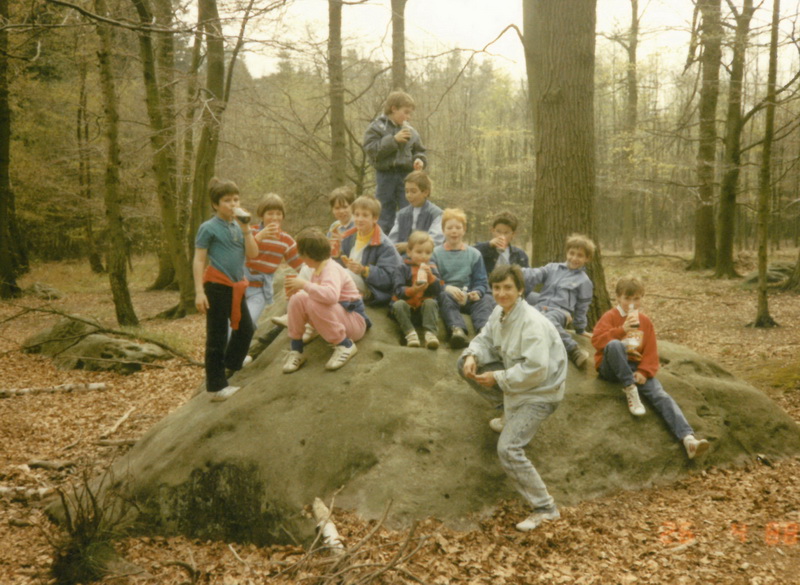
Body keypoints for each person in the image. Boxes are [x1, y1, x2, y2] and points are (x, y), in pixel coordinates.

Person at [457, 264, 567, 532]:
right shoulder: (500, 312)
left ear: (520, 290)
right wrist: (473, 355)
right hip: (517, 384)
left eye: (508, 288)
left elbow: (537, 370)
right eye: (496, 288)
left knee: (508, 449)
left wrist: (499, 378)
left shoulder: (532, 323)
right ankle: (505, 409)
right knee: (463, 364)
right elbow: (484, 338)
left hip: (541, 392)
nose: (501, 293)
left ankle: (546, 508)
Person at [591, 276, 711, 459]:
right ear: (617, 298)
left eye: (636, 299)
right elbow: (597, 341)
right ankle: (630, 389)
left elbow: (651, 352)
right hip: (611, 367)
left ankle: (688, 439)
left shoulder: (645, 322)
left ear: (642, 298)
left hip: (635, 368)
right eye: (627, 299)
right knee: (615, 345)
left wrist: (644, 372)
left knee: (661, 395)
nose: (632, 303)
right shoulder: (610, 317)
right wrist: (621, 330)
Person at [193, 178, 258, 402]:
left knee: (247, 328)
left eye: (236, 199)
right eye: (227, 200)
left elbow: (253, 254)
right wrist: (199, 291)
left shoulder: (239, 227)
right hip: (216, 286)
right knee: (217, 336)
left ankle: (233, 362)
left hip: (236, 286)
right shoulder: (208, 228)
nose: (233, 204)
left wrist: (247, 228)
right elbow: (199, 259)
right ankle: (216, 387)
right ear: (215, 204)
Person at [282, 229, 370, 374]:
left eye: (302, 254)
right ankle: (296, 349)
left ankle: (345, 345)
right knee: (298, 298)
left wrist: (304, 285)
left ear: (310, 254)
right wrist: (298, 291)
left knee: (314, 301)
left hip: (354, 320)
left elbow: (331, 296)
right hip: (339, 318)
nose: (300, 257)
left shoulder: (331, 269)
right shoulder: (318, 268)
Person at [522, 234, 595, 369]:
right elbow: (535, 274)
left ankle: (573, 350)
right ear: (566, 252)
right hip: (540, 306)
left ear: (587, 258)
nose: (574, 258)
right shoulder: (552, 268)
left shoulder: (584, 281)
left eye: (580, 255)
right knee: (524, 316)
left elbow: (582, 307)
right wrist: (517, 272)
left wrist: (580, 329)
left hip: (559, 312)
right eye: (571, 253)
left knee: (547, 320)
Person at [363, 90, 427, 233]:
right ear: (393, 109)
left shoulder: (411, 130)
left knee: (408, 211)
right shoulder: (377, 127)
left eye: (410, 114)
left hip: (406, 176)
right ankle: (382, 245)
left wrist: (419, 160)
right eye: (406, 112)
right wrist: (393, 140)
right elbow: (371, 151)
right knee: (384, 213)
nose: (408, 117)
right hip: (386, 175)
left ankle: (407, 246)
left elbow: (419, 150)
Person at [432, 208, 494, 349]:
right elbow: (433, 280)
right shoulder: (436, 253)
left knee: (485, 300)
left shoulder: (474, 254)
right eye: (450, 228)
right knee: (443, 297)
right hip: (448, 294)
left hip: (468, 296)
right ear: (443, 230)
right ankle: (457, 330)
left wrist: (476, 293)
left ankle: (483, 332)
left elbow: (481, 281)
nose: (454, 231)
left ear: (464, 229)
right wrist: (446, 287)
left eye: (458, 227)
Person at [244, 193, 304, 325]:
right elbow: (236, 257)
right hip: (238, 284)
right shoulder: (250, 232)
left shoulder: (285, 240)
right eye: (270, 213)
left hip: (259, 290)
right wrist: (258, 237)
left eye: (278, 214)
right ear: (262, 215)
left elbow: (302, 266)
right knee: (230, 324)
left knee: (247, 322)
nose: (274, 218)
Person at [338, 195, 402, 305]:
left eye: (365, 215)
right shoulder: (348, 237)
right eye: (356, 215)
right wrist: (333, 254)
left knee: (340, 274)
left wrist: (364, 270)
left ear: (375, 218)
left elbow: (390, 279)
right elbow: (339, 262)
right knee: (310, 269)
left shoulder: (385, 245)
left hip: (371, 288)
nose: (359, 219)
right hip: (349, 279)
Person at [390, 231, 443, 349]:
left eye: (428, 252)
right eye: (419, 252)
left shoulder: (432, 268)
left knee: (431, 302)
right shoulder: (402, 268)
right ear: (409, 252)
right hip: (407, 309)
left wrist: (431, 277)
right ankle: (410, 334)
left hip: (422, 312)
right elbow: (397, 290)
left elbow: (438, 290)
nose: (423, 256)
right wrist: (412, 290)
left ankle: (430, 334)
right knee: (398, 305)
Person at [387, 170, 443, 254]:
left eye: (413, 191)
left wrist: (409, 246)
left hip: (427, 258)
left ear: (425, 192)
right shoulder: (401, 214)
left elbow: (436, 241)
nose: (409, 195)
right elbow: (392, 240)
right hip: (403, 259)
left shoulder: (436, 213)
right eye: (406, 191)